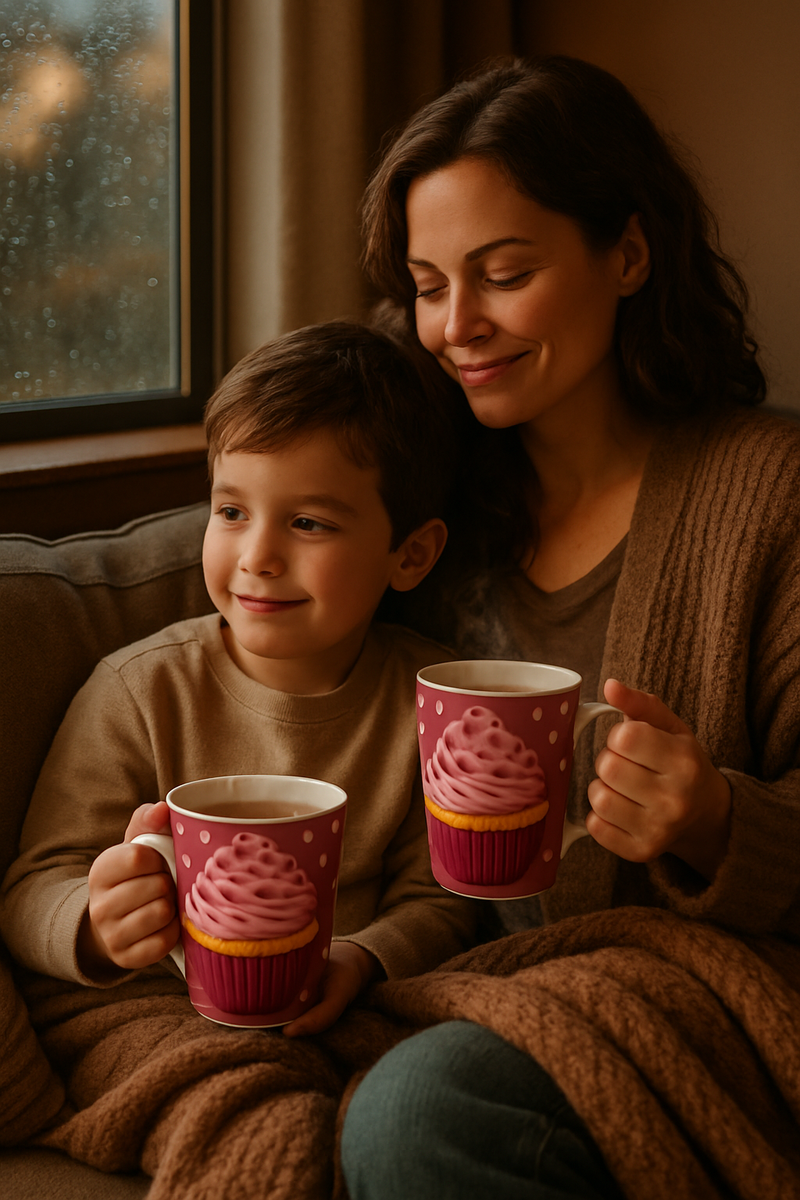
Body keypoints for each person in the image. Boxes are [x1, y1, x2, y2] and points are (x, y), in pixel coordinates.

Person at [340, 56, 800, 1198]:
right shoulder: (426, 522)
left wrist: (711, 820)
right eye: (427, 284)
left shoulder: (769, 497)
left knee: (417, 1108)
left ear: (627, 256)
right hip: (462, 975)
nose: (457, 326)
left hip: (706, 988)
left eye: (502, 274)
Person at [0, 320, 475, 1039]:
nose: (257, 556)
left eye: (309, 523)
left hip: (355, 1009)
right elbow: (34, 884)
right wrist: (95, 926)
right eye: (230, 512)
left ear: (410, 555)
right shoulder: (140, 690)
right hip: (160, 1006)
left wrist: (363, 957)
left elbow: (439, 898)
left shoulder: (431, 702)